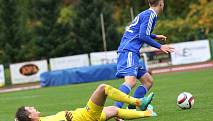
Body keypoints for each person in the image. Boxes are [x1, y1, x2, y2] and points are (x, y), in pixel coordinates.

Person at [115, 0, 174, 111]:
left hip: (131, 51)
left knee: (148, 81)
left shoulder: (146, 13)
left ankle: (131, 109)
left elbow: (139, 32)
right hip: (128, 51)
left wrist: (155, 36)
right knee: (130, 81)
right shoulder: (151, 15)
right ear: (161, 3)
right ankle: (115, 111)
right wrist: (160, 46)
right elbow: (142, 35)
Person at [15, 84, 157, 121]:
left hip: (88, 116)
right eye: (30, 109)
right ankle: (139, 102)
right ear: (30, 116)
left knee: (114, 111)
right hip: (87, 115)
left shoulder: (40, 119)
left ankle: (148, 113)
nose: (33, 107)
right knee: (103, 88)